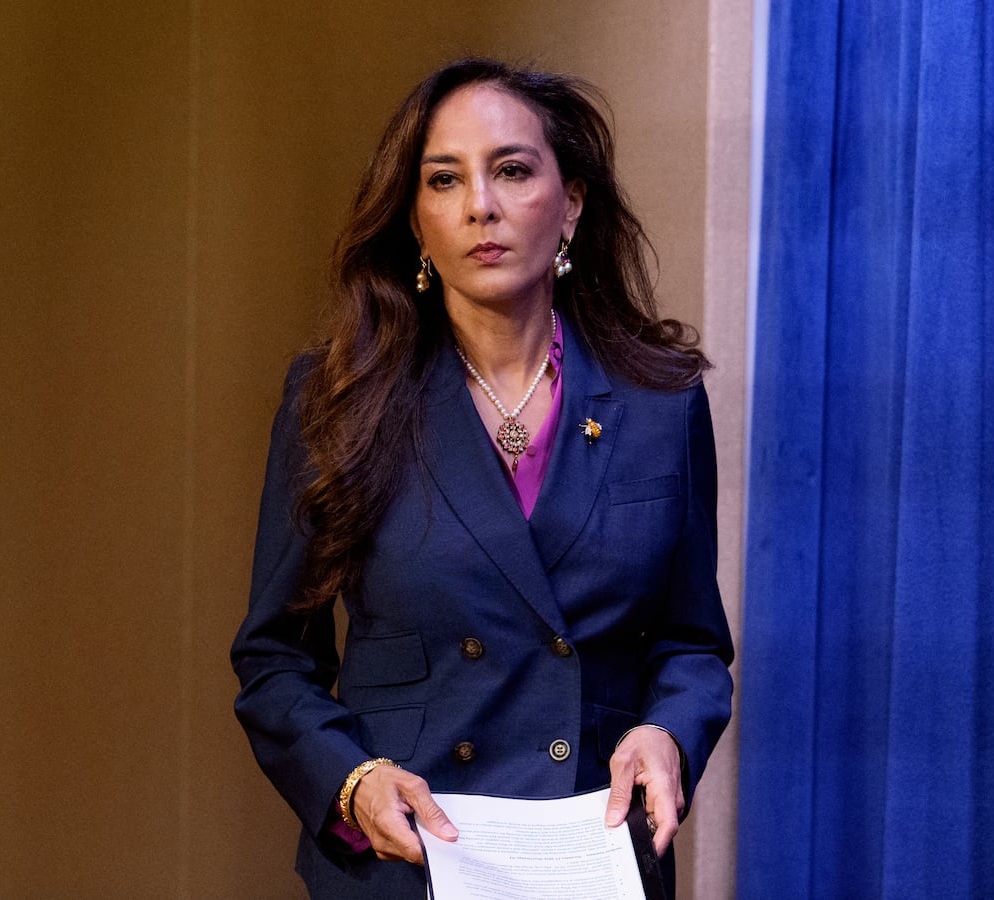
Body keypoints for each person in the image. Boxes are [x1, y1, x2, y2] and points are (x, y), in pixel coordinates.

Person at [231, 57, 734, 898]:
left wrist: (668, 735)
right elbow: (275, 659)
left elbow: (691, 645)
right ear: (415, 220)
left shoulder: (661, 400)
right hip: (411, 856)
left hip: (593, 853)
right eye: (443, 179)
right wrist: (352, 783)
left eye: (511, 170)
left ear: (570, 202)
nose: (480, 206)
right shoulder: (339, 399)